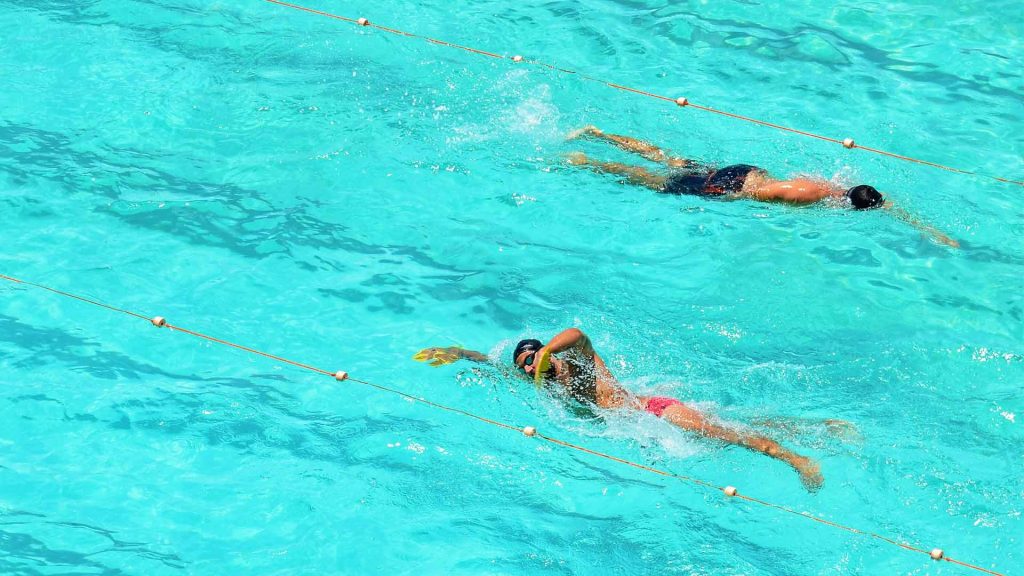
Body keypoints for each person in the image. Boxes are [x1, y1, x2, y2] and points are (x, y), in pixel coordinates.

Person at [413, 327, 826, 491]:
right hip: (635, 429)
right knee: (726, 430)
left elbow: (578, 335)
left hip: (654, 412)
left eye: (538, 362)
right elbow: (495, 366)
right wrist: (454, 352)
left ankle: (796, 458)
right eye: (529, 369)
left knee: (722, 434)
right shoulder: (541, 380)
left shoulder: (574, 362)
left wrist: (548, 354)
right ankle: (814, 428)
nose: (537, 371)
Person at [565, 125, 959, 248]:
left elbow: (880, 202)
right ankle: (590, 161)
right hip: (730, 188)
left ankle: (599, 134)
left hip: (745, 172)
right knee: (653, 181)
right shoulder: (815, 201)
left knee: (669, 159)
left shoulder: (831, 186)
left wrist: (928, 229)